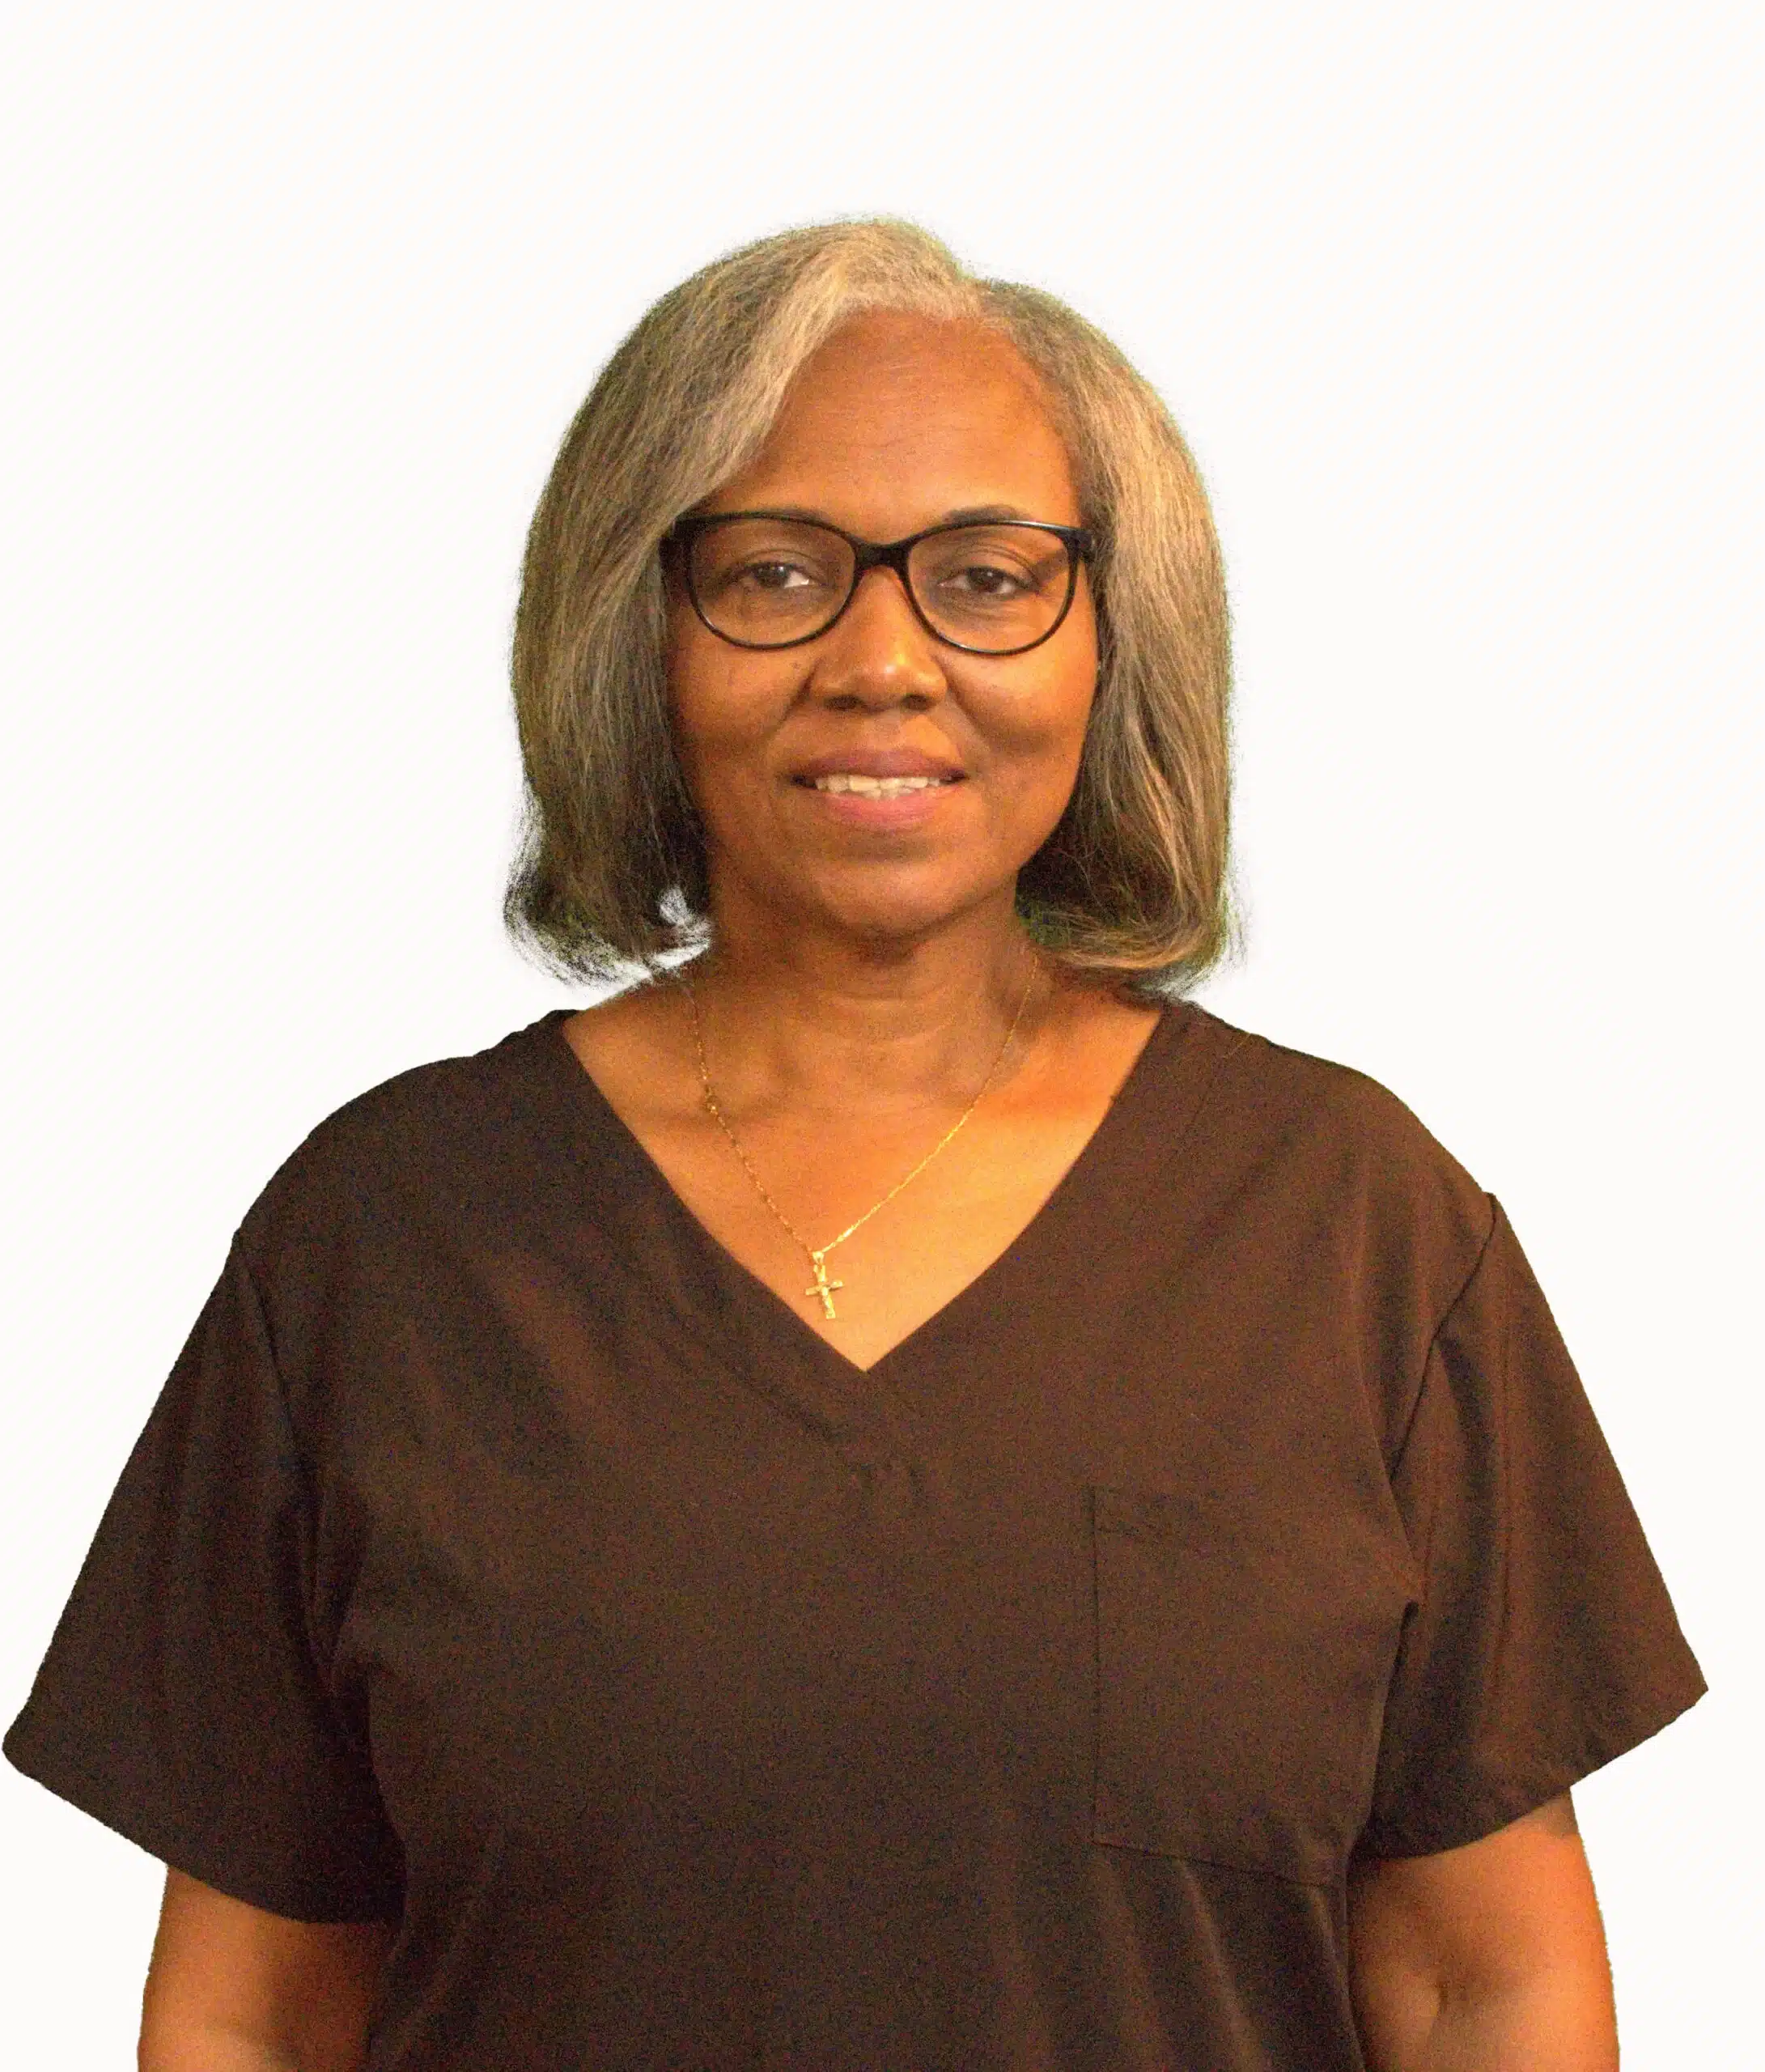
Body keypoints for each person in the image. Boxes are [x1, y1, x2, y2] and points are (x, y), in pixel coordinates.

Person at [6, 219, 1703, 2072]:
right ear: (635, 629)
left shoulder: (1354, 1227)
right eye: (775, 573)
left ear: (1114, 635)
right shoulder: (384, 1244)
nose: (882, 659)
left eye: (987, 575)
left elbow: (1486, 1988)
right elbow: (251, 2014)